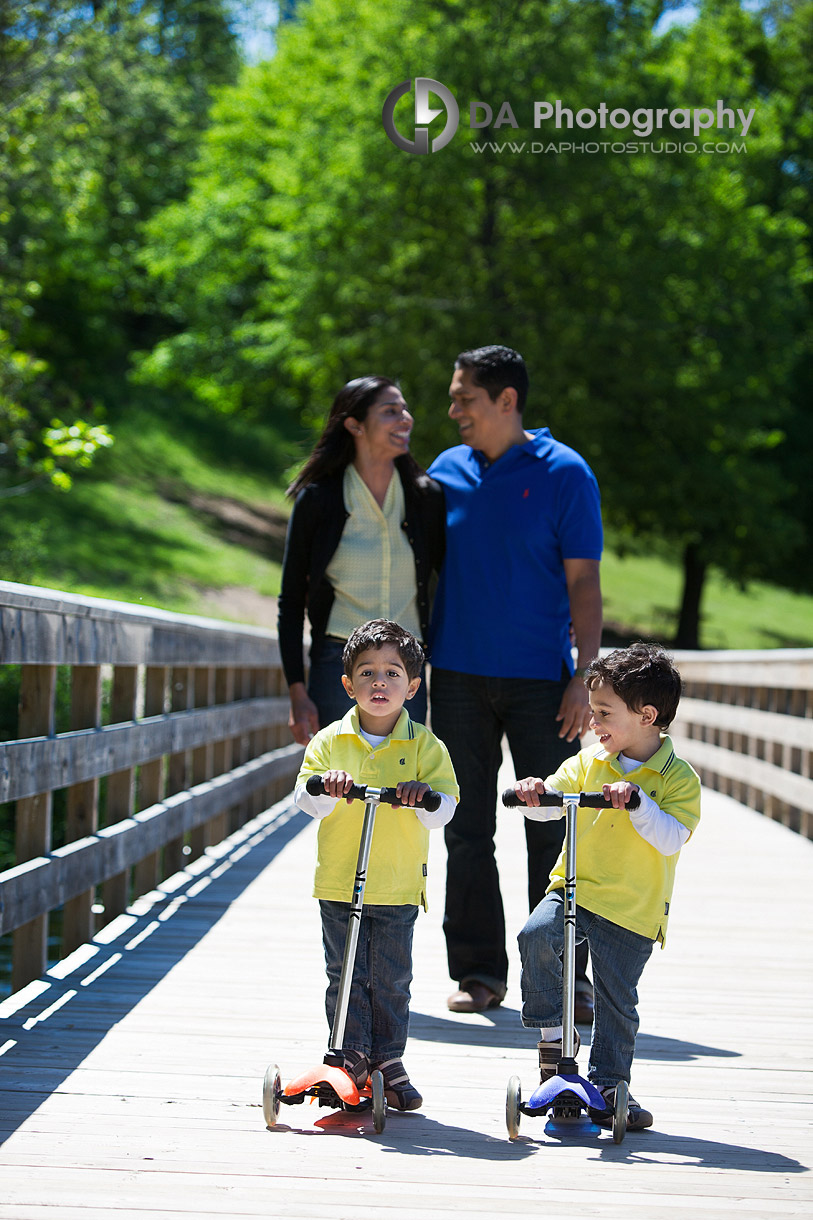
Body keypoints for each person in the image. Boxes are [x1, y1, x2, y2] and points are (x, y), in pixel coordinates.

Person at [427, 345, 603, 1016]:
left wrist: (584, 675)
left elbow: (583, 581)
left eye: (464, 398)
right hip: (457, 677)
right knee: (466, 829)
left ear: (506, 401)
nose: (452, 411)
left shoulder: (565, 473)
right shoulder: (445, 471)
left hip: (540, 681)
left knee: (553, 829)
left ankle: (561, 979)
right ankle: (478, 974)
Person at [513, 642, 701, 1130]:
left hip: (632, 906)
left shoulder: (679, 780)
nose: (593, 722)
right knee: (536, 937)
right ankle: (555, 1043)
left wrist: (639, 803)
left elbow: (671, 838)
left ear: (646, 715)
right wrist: (537, 794)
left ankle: (612, 1083)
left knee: (617, 998)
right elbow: (555, 801)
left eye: (603, 713)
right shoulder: (590, 760)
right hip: (574, 888)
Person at [294, 618, 459, 1110]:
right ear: (348, 685)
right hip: (340, 879)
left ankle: (387, 1058)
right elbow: (305, 799)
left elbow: (446, 809)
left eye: (392, 673)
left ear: (413, 685)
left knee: (389, 976)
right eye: (366, 673)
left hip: (396, 882)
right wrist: (329, 786)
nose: (379, 683)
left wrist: (424, 797)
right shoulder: (328, 742)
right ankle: (348, 1055)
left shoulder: (427, 747)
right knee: (343, 972)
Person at [278, 376, 445, 743]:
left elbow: (458, 578)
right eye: (390, 411)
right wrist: (296, 689)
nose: (406, 418)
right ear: (354, 425)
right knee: (333, 790)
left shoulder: (425, 497)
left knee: (400, 788)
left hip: (406, 667)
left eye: (404, 409)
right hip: (338, 665)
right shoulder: (319, 500)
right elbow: (290, 601)